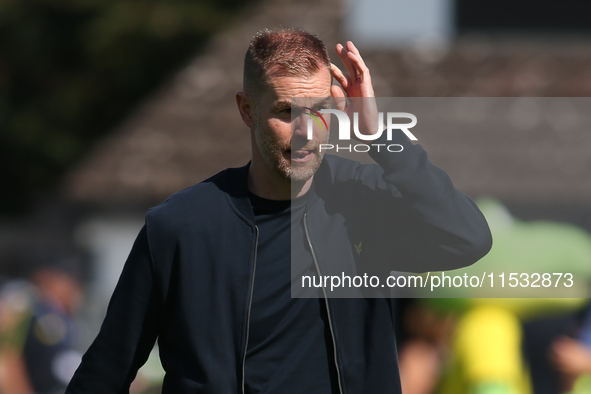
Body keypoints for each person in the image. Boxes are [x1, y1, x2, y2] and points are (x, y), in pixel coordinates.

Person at [65, 28, 492, 393]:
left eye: (320, 111)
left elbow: (468, 238)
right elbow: (106, 370)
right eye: (286, 112)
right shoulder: (180, 226)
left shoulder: (363, 200)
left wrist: (380, 136)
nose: (306, 132)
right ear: (247, 110)